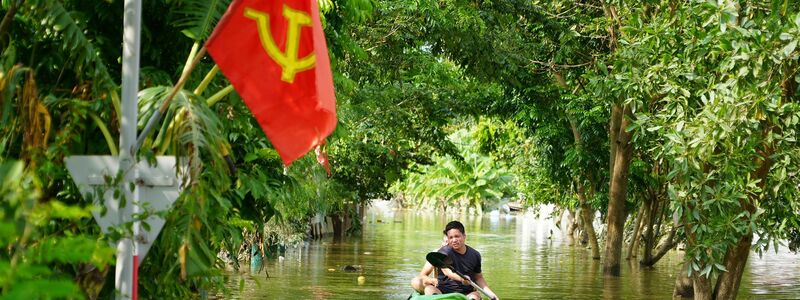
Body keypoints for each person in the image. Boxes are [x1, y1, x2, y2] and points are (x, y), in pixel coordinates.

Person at [411, 221, 499, 300]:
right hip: (442, 291)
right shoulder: (444, 251)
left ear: (464, 236)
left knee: (475, 296)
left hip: (467, 292)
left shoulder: (475, 255)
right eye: (451, 237)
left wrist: (490, 294)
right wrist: (462, 279)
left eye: (457, 236)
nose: (454, 240)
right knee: (429, 289)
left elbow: (479, 278)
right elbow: (447, 272)